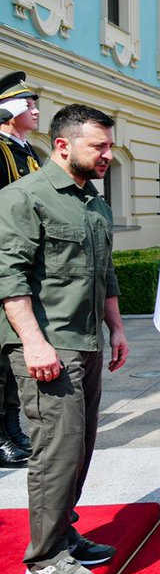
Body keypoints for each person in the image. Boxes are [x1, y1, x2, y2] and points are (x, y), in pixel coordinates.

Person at [0, 104, 128, 574]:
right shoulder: (23, 198)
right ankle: (44, 557)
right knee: (56, 449)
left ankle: (63, 532)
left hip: (87, 339)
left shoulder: (93, 201)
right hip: (47, 345)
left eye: (109, 145)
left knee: (79, 446)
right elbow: (9, 278)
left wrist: (116, 328)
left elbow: (105, 271)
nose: (107, 155)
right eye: (99, 146)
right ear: (62, 145)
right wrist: (34, 343)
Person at [0, 71, 42, 467]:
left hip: (26, 263)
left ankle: (12, 429)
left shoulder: (29, 151)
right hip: (5, 262)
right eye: (28, 104)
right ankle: (1, 435)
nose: (35, 110)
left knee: (13, 362)